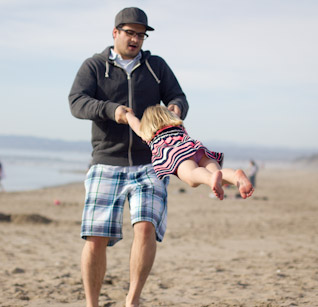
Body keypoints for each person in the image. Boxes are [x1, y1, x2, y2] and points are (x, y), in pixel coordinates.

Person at [69, 7, 188, 307]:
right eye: (130, 33)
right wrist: (113, 110)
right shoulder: (94, 66)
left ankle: (132, 300)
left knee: (146, 226)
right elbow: (77, 102)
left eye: (141, 34)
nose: (135, 39)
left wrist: (174, 110)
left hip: (151, 162)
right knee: (95, 237)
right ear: (115, 33)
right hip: (106, 161)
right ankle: (91, 304)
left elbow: (178, 96)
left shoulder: (156, 66)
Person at [126, 105, 254, 200]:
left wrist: (128, 115)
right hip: (196, 148)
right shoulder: (177, 123)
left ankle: (210, 179)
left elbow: (134, 123)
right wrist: (172, 109)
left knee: (192, 177)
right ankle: (236, 177)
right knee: (218, 173)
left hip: (176, 154)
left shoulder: (147, 133)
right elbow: (176, 110)